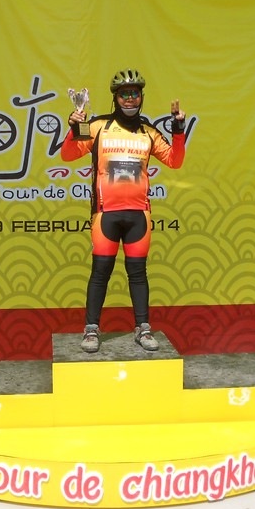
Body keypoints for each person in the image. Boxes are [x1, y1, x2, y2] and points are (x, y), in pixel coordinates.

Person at [61, 68, 187, 353]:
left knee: (138, 273)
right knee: (100, 272)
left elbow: (175, 161)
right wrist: (73, 128)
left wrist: (178, 130)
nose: (130, 98)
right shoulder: (98, 126)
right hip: (105, 214)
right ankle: (91, 330)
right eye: (124, 94)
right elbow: (68, 154)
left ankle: (143, 329)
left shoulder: (149, 132)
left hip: (138, 215)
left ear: (141, 97)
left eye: (135, 93)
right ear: (115, 97)